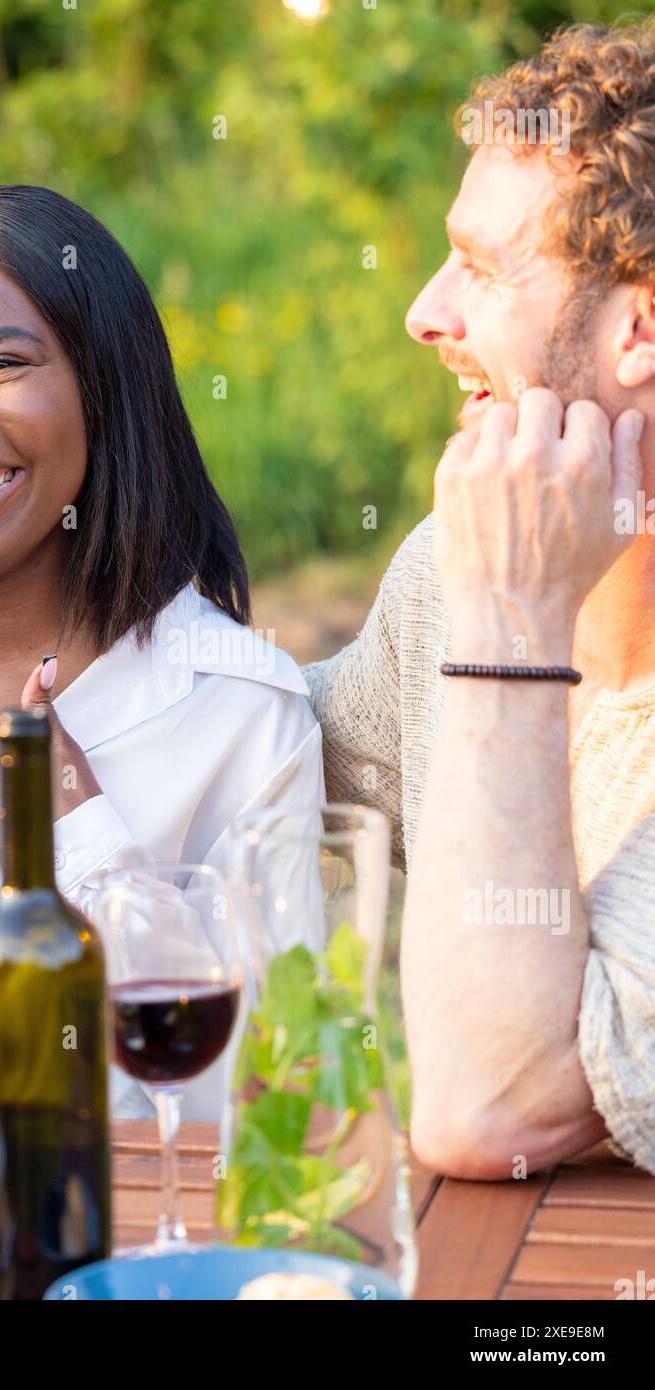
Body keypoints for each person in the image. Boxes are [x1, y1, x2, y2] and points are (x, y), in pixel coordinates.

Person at [0, 184, 322, 1117]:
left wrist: (66, 842)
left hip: (88, 1246)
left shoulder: (239, 712)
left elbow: (277, 1101)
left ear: (107, 387)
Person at [307, 20, 655, 1179]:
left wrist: (512, 620)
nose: (424, 311)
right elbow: (288, 755)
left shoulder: (490, 586)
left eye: (486, 268)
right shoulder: (448, 574)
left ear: (640, 325)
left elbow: (491, 1111)